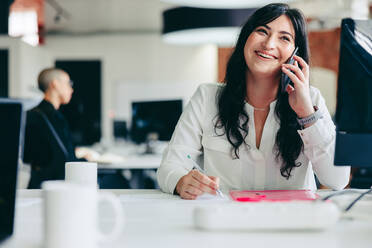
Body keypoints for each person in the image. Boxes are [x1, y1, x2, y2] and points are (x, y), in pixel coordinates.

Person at [157, 3, 351, 200]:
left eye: (284, 38)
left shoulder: (312, 99)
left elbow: (338, 179)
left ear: (295, 54)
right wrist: (181, 182)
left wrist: (307, 115)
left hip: (291, 223)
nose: (269, 44)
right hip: (225, 222)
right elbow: (169, 167)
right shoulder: (207, 97)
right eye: (262, 31)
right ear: (245, 39)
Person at [23, 68, 89, 189]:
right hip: (54, 189)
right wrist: (85, 160)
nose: (71, 89)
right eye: (69, 83)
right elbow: (63, 160)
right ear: (55, 84)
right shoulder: (50, 117)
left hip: (43, 186)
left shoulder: (35, 114)